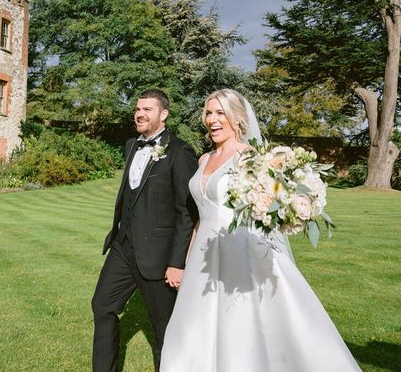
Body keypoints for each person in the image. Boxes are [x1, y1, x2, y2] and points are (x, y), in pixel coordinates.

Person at [160, 89, 361, 371]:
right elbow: (201, 215)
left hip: (239, 249)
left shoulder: (250, 157)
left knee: (242, 322)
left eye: (220, 113)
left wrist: (289, 205)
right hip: (203, 255)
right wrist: (186, 257)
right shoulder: (204, 159)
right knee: (195, 324)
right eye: (209, 113)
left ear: (237, 119)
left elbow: (270, 202)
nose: (213, 120)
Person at [92, 88, 199, 372]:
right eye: (137, 109)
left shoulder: (180, 151)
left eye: (147, 110)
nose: (139, 114)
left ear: (163, 115)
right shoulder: (131, 145)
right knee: (102, 306)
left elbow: (186, 212)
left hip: (158, 255)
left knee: (164, 330)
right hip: (122, 248)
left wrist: (177, 263)